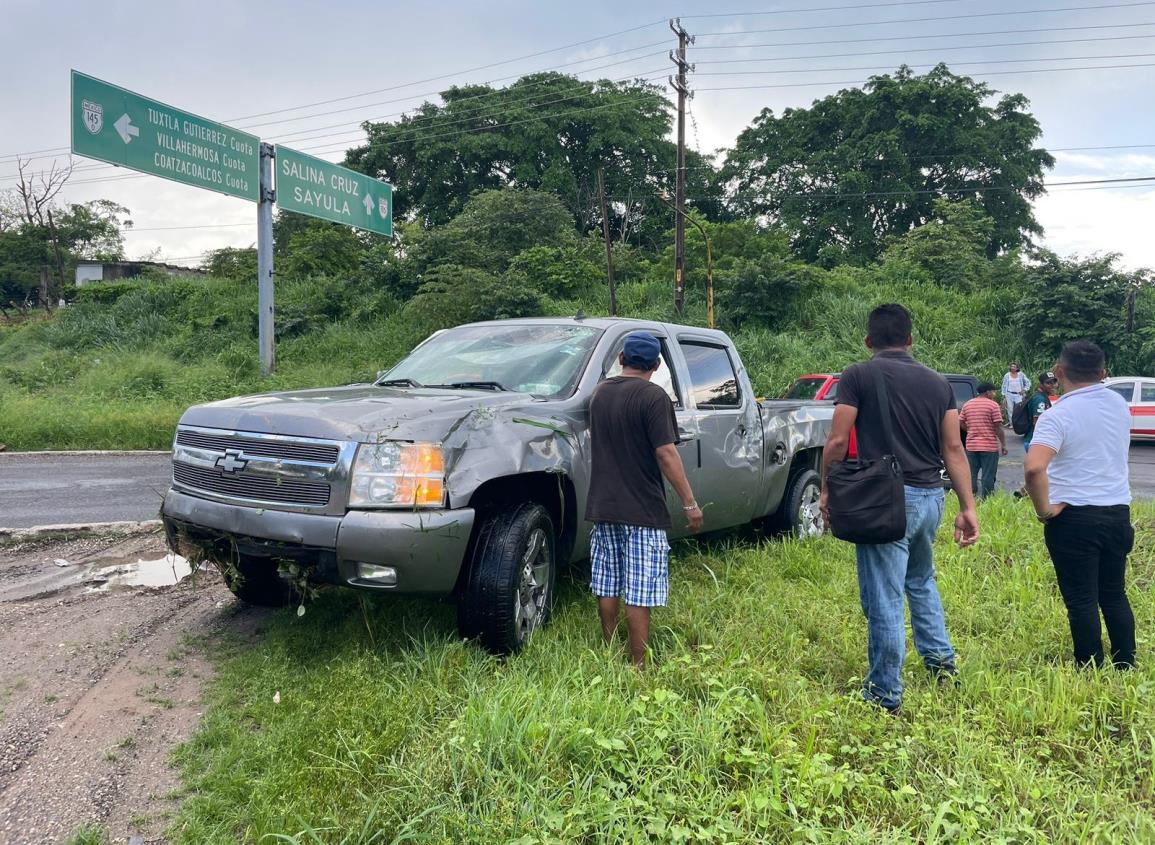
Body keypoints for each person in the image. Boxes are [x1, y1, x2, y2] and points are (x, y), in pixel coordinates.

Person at [820, 304, 980, 714]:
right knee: (922, 581)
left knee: (884, 596)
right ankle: (942, 664)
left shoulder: (859, 374)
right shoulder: (938, 382)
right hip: (931, 498)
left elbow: (838, 441)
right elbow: (953, 448)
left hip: (884, 501)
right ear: (911, 340)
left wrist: (826, 490)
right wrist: (968, 506)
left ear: (868, 341)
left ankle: (884, 692)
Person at [586, 332, 703, 667]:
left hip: (604, 505)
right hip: (642, 509)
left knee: (608, 580)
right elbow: (666, 454)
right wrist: (690, 503)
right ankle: (639, 665)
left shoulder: (599, 395)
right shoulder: (654, 397)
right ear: (656, 364)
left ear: (621, 358)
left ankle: (608, 650)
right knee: (639, 586)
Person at [1024, 341, 1135, 669]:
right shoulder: (1119, 405)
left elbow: (1033, 468)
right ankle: (1125, 663)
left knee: (1082, 599)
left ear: (1059, 372)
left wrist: (1044, 510)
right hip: (1118, 512)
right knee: (1114, 594)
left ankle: (1089, 665)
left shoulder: (1057, 415)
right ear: (1103, 373)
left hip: (1074, 518)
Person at [959, 382, 1008, 499]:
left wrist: (970, 429)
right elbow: (998, 426)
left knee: (971, 474)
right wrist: (1004, 444)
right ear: (988, 392)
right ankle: (987, 500)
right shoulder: (993, 405)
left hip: (971, 446)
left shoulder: (967, 404)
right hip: (989, 446)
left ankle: (971, 498)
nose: (994, 394)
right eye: (993, 391)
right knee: (988, 475)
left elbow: (960, 422)